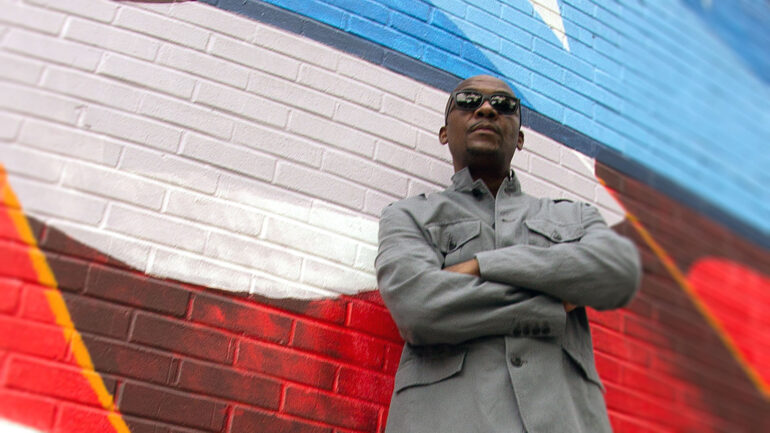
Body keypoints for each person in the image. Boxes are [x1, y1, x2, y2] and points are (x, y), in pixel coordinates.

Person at [375, 75, 641, 433]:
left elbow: (618, 274)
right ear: (444, 132)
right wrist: (550, 303)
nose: (486, 108)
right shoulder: (408, 216)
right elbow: (417, 307)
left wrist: (481, 265)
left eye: (504, 105)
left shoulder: (575, 216)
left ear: (519, 138)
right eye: (468, 101)